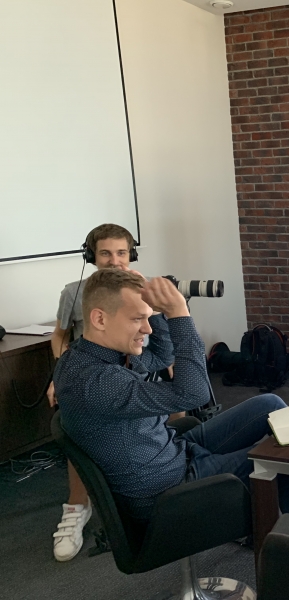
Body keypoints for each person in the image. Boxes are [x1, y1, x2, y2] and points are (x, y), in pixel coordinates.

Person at [53, 269, 289, 539]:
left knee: (270, 403)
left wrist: (160, 310)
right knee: (282, 457)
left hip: (173, 451)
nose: (147, 329)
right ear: (99, 318)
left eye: (148, 318)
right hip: (169, 489)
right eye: (138, 318)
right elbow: (193, 393)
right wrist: (179, 313)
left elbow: (161, 355)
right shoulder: (98, 382)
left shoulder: (91, 356)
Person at [49, 223, 138, 561]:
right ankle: (77, 506)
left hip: (134, 374)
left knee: (176, 413)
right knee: (80, 426)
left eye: (121, 252)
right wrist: (61, 376)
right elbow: (59, 337)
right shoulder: (75, 293)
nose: (115, 261)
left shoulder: (142, 288)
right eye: (105, 253)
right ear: (91, 256)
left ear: (131, 255)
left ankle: (167, 487)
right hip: (89, 378)